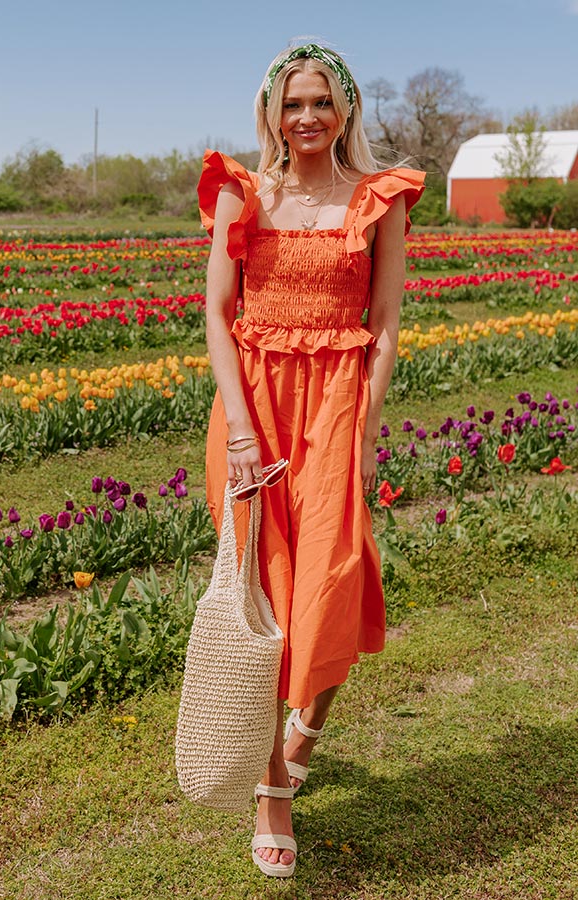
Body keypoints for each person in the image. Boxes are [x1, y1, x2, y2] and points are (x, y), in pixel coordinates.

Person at [199, 42, 425, 878]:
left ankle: (303, 736)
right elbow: (219, 316)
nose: (307, 118)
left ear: (347, 110)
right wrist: (239, 433)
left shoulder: (376, 201)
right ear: (270, 110)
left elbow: (388, 322)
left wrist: (364, 433)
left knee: (334, 576)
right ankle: (272, 789)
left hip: (335, 408)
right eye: (292, 103)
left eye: (322, 102)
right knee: (266, 590)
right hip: (254, 408)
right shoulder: (241, 192)